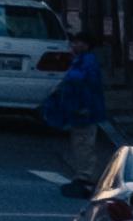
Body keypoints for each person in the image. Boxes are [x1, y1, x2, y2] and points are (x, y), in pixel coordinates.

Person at [42, 36, 110, 187]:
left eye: (78, 42)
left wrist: (85, 106)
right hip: (78, 109)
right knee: (80, 142)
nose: (74, 45)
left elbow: (88, 86)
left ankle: (86, 174)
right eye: (74, 42)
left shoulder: (87, 63)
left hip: (84, 110)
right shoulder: (80, 62)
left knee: (84, 142)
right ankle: (83, 173)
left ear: (86, 45)